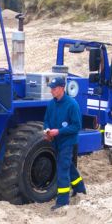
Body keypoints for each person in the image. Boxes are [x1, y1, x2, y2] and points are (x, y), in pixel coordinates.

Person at [43, 76, 86, 209]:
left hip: (67, 142)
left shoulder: (72, 105)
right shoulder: (51, 104)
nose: (51, 91)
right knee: (68, 166)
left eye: (54, 89)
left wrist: (59, 132)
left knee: (62, 169)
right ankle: (80, 188)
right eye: (51, 89)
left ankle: (62, 202)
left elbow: (76, 126)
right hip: (56, 141)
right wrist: (47, 131)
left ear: (62, 88)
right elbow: (46, 120)